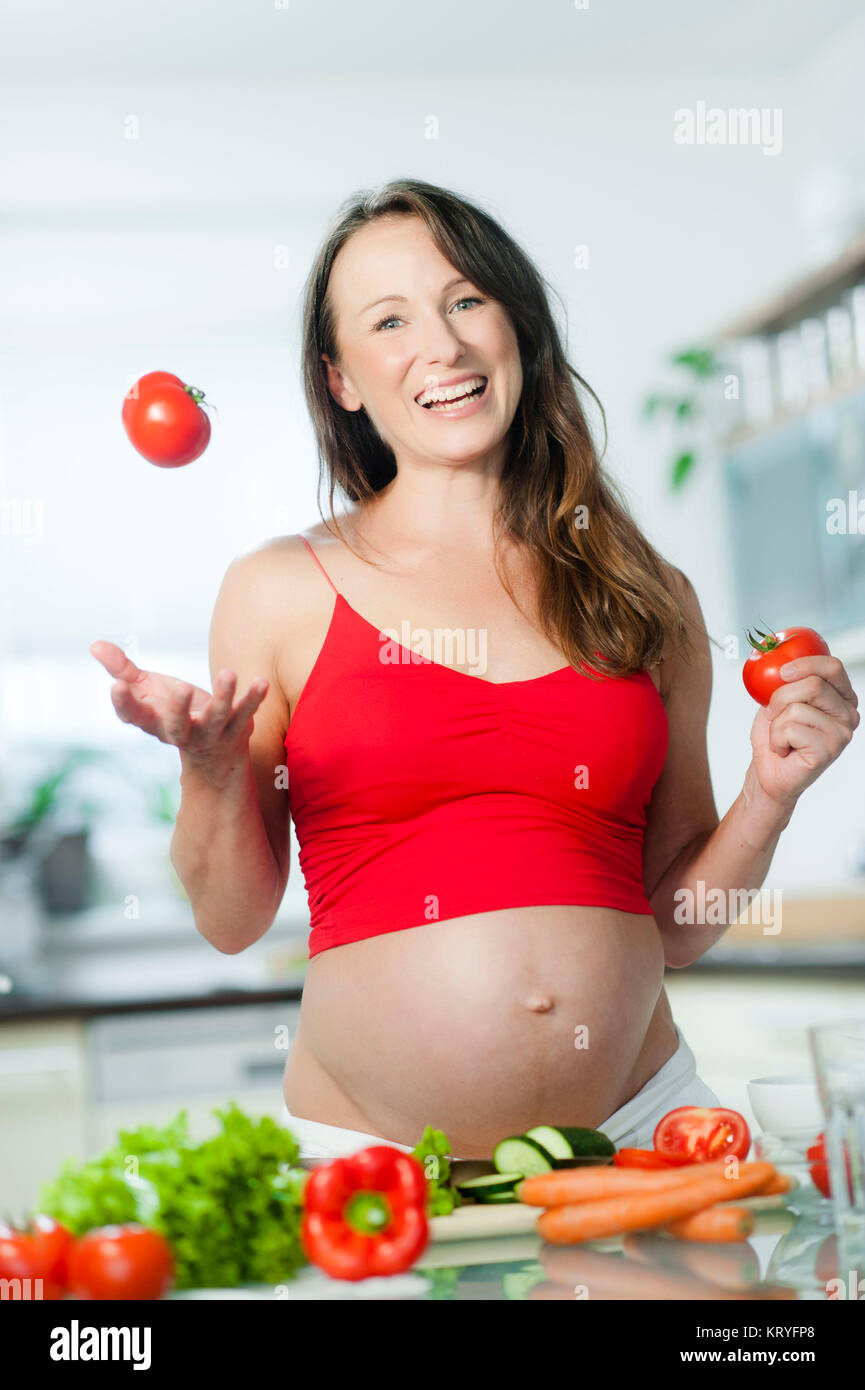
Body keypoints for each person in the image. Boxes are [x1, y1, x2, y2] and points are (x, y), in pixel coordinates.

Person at [91, 179, 860, 1161]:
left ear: (516, 327)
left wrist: (770, 794)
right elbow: (231, 920)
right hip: (374, 1160)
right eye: (389, 320)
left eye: (465, 301)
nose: (442, 346)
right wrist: (206, 769)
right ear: (344, 380)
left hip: (638, 1128)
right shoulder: (279, 588)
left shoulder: (643, 594)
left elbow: (676, 921)